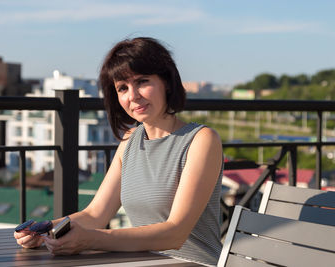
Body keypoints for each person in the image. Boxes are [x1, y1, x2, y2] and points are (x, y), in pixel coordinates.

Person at [14, 37, 223, 266]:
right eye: (122, 88)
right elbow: (95, 214)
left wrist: (92, 240)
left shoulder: (202, 140)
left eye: (142, 81)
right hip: (143, 262)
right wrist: (45, 230)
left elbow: (175, 233)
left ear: (168, 82)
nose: (133, 96)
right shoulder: (130, 140)